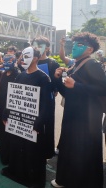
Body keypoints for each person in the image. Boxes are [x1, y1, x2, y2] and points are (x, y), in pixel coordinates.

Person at [51, 32, 106, 188]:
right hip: (72, 115)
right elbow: (68, 92)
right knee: (69, 148)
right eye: (74, 44)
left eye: (79, 45)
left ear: (90, 50)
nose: (74, 46)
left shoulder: (92, 65)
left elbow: (103, 89)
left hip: (87, 119)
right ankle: (65, 179)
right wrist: (58, 79)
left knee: (84, 151)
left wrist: (77, 85)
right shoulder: (75, 64)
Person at [0, 46, 52, 187]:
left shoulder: (43, 78)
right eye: (22, 56)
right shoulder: (21, 75)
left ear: (35, 58)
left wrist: (39, 122)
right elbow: (12, 97)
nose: (22, 59)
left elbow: (47, 104)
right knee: (17, 146)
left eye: (27, 56)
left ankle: (32, 178)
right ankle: (16, 172)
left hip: (33, 123)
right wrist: (6, 113)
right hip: (18, 121)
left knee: (32, 152)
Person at [32, 36, 60, 159]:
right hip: (32, 99)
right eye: (34, 45)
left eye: (39, 46)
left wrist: (55, 87)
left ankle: (47, 150)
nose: (36, 48)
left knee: (47, 125)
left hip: (47, 100)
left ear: (47, 48)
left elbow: (57, 84)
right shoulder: (31, 61)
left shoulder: (52, 63)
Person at [0, 54, 19, 165]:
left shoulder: (18, 75)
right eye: (5, 61)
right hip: (1, 107)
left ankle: (11, 156)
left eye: (10, 61)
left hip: (12, 109)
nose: (7, 64)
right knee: (2, 133)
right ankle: (4, 154)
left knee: (11, 134)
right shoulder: (1, 75)